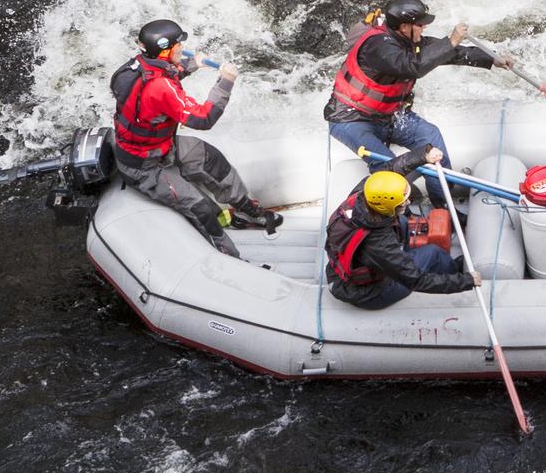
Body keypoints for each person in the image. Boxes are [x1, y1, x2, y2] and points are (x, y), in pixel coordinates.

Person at [111, 18, 282, 256]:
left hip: (162, 149)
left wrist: (191, 64)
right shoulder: (160, 86)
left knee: (212, 159)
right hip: (145, 167)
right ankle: (228, 256)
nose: (181, 48)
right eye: (178, 46)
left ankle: (245, 212)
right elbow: (203, 118)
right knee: (201, 208)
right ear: (165, 50)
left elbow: (162, 84)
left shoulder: (141, 65)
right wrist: (226, 83)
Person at [325, 0, 510, 175]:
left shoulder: (409, 40)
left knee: (430, 135)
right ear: (404, 26)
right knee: (388, 165)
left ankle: (442, 201)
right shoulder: (378, 46)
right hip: (351, 118)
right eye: (420, 25)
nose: (424, 28)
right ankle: (393, 197)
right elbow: (411, 67)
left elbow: (450, 53)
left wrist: (492, 58)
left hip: (389, 116)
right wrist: (451, 40)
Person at [324, 151, 478, 309]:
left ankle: (404, 254)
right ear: (387, 207)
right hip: (370, 293)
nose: (409, 201)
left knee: (403, 221)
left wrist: (424, 155)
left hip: (351, 269)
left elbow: (391, 168)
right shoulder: (379, 243)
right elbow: (416, 280)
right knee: (433, 253)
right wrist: (465, 281)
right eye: (403, 201)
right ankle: (453, 270)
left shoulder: (365, 191)